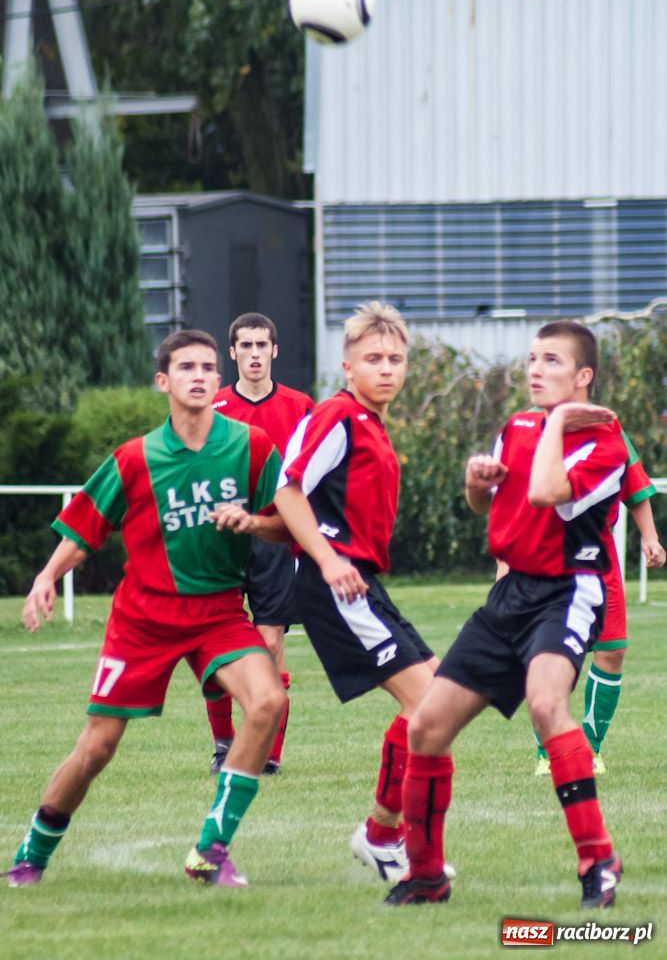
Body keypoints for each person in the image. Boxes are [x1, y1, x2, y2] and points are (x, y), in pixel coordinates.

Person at [2, 330, 287, 889]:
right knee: (98, 746)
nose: (199, 375)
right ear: (164, 382)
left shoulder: (251, 447)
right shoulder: (136, 458)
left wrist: (252, 521)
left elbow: (288, 521)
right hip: (144, 619)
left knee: (268, 700)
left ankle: (211, 850)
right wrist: (46, 576)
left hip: (219, 613)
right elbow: (86, 529)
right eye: (186, 367)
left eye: (208, 366)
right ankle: (31, 853)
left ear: (218, 381)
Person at [385, 320, 628, 909]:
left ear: (583, 377)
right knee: (426, 727)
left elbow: (546, 491)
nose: (535, 370)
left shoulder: (606, 442)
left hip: (567, 593)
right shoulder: (518, 427)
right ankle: (426, 875)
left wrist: (561, 422)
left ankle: (598, 861)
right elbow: (487, 504)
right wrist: (476, 482)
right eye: (532, 359)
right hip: (509, 596)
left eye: (551, 361)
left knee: (548, 704)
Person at [269, 301, 455, 884]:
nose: (387, 368)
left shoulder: (370, 423)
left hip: (360, 582)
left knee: (437, 700)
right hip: (337, 585)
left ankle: (381, 834)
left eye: (396, 359)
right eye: (373, 358)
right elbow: (288, 491)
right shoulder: (338, 415)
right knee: (429, 706)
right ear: (347, 367)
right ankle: (386, 841)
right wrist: (326, 560)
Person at [206, 312, 314, 775]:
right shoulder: (212, 406)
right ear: (233, 353)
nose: (253, 354)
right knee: (215, 650)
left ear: (275, 350)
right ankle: (223, 744)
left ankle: (268, 754)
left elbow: (314, 472)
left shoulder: (300, 406)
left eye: (261, 345)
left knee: (269, 645)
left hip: (275, 541)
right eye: (244, 346)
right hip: (221, 542)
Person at [534, 441, 665, 775]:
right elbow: (505, 501)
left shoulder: (607, 429)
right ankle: (548, 753)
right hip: (545, 556)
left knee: (612, 651)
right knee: (549, 654)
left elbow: (634, 485)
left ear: (583, 383)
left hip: (599, 557)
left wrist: (650, 538)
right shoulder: (530, 427)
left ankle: (589, 749)